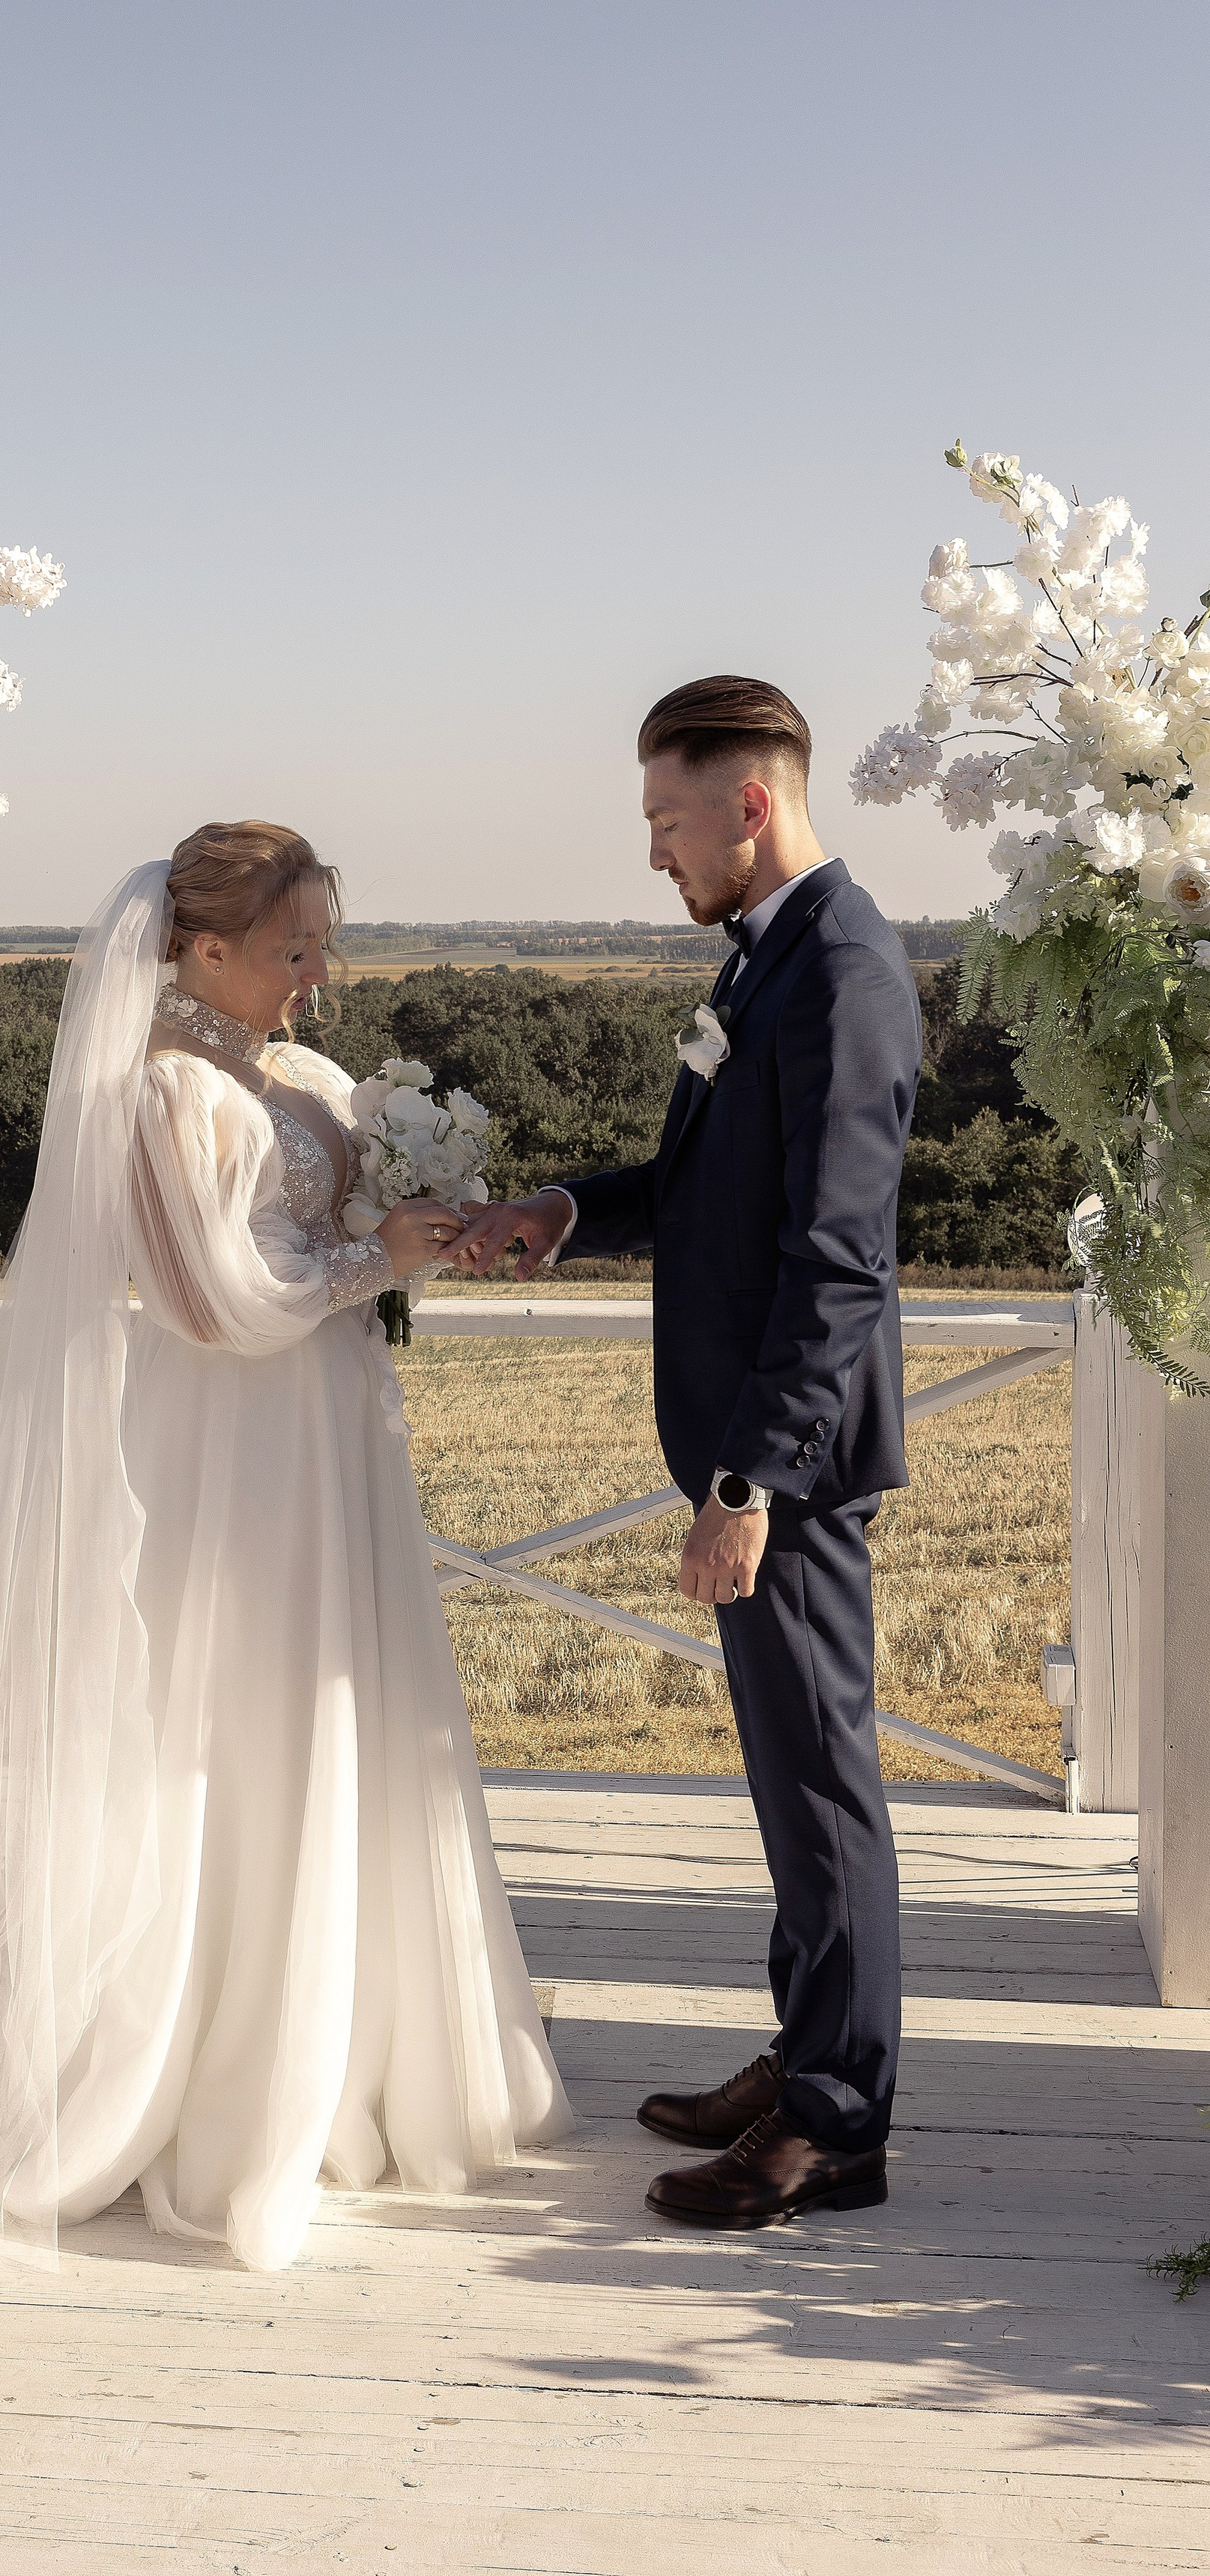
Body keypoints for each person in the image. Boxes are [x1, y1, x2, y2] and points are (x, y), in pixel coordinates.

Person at [0, 823, 569, 2272]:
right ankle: (200, 2076)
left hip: (327, 1438)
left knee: (330, 1719)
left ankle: (353, 2053)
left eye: (320, 945)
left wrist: (424, 1225)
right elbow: (207, 1301)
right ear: (203, 950)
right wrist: (382, 1258)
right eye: (292, 949)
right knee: (220, 1729)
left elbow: (326, 1242)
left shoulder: (308, 1080)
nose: (317, 974)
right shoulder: (165, 1094)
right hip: (229, 1453)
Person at [454, 678, 921, 2230]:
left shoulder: (844, 972)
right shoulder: (771, 957)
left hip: (779, 1468)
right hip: (747, 1454)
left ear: (747, 803)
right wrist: (564, 1210)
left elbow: (837, 1264)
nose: (653, 855)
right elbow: (699, 1182)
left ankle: (834, 2127)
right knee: (788, 1785)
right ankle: (804, 2056)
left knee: (820, 1787)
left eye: (664, 821)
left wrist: (749, 1485)